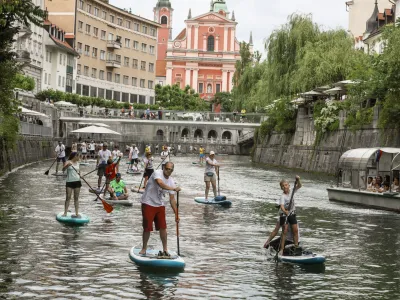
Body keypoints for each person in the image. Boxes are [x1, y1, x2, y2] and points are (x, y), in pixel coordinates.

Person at [139, 162, 181, 257]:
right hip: (148, 202)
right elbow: (160, 183)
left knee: (163, 227)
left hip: (160, 204)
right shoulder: (157, 173)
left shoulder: (171, 181)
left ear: (172, 171)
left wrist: (176, 214)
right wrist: (173, 189)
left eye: (170, 170)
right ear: (163, 168)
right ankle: (144, 248)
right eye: (167, 169)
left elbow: (172, 200)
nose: (168, 171)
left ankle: (165, 249)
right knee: (147, 228)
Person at [278, 176, 302, 256]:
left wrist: (298, 180)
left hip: (292, 214)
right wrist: (285, 211)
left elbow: (299, 186)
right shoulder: (282, 196)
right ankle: (281, 249)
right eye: (283, 186)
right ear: (282, 188)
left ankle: (296, 247)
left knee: (295, 230)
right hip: (284, 215)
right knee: (284, 231)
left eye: (286, 185)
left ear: (289, 186)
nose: (285, 187)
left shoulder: (292, 191)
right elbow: (281, 206)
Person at [62, 152, 82, 217]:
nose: (79, 157)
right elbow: (63, 169)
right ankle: (65, 212)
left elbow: (79, 172)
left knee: (76, 198)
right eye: (78, 156)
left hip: (77, 181)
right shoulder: (68, 162)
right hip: (69, 182)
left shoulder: (78, 163)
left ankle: (77, 213)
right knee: (68, 197)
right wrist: (67, 165)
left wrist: (81, 175)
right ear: (75, 156)